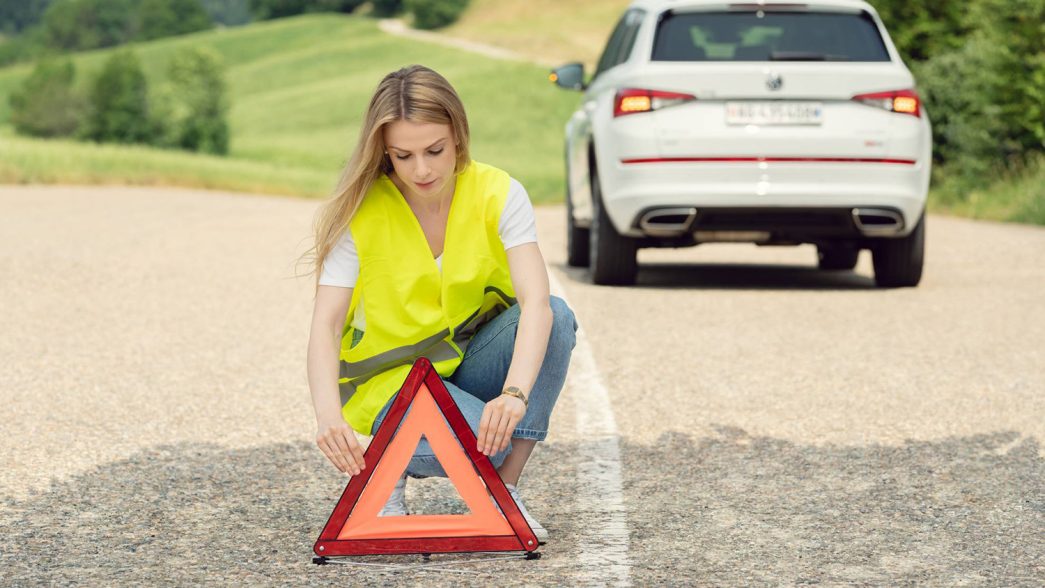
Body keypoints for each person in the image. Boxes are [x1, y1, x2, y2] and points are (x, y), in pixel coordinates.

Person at [301, 64, 578, 542]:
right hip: (395, 387)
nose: (422, 170)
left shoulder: (500, 192)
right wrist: (327, 416)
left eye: (435, 151)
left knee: (559, 316)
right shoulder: (360, 211)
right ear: (383, 152)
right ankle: (386, 477)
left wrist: (513, 396)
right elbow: (325, 326)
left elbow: (536, 304)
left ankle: (502, 492)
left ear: (459, 137)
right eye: (403, 156)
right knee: (483, 447)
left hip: (468, 364)